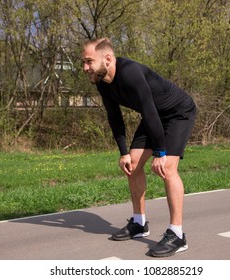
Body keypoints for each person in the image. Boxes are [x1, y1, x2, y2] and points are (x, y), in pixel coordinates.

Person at [81, 38, 196, 258]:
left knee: (168, 169)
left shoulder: (130, 72)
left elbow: (150, 112)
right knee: (132, 165)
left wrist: (161, 153)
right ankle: (139, 223)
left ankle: (177, 234)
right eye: (83, 63)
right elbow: (114, 117)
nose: (85, 68)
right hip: (153, 115)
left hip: (178, 112)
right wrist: (124, 152)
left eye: (89, 61)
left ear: (107, 58)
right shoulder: (102, 81)